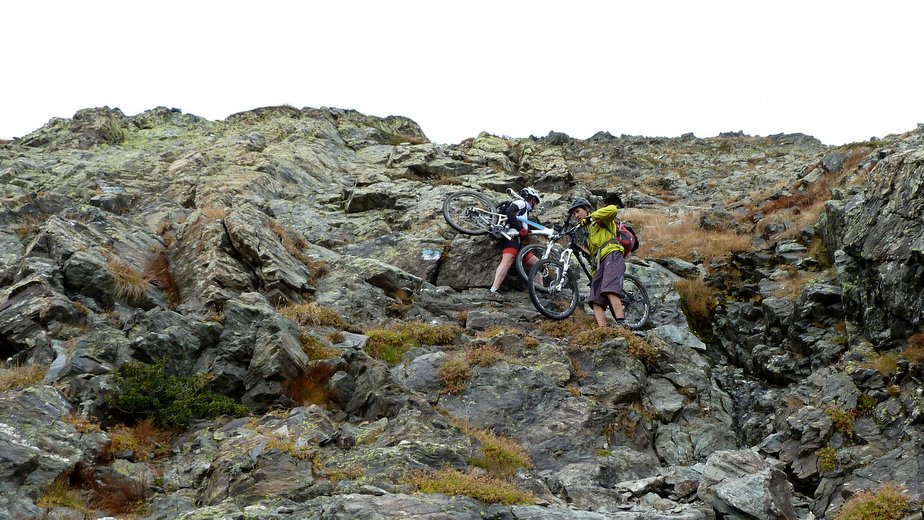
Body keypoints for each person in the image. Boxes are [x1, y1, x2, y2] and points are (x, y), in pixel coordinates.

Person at [567, 197, 627, 328]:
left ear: (587, 209)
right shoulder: (588, 232)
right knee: (595, 298)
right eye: (574, 214)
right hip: (600, 263)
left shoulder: (600, 219)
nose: (576, 215)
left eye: (578, 211)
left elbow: (613, 210)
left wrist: (591, 217)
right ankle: (602, 329)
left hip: (612, 253)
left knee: (609, 288)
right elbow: (593, 255)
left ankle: (622, 322)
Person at [489, 187, 541, 293]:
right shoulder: (521, 203)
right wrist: (521, 228)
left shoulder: (524, 211)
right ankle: (494, 289)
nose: (536, 205)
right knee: (507, 260)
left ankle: (541, 292)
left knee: (538, 264)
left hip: (518, 242)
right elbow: (510, 211)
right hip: (512, 236)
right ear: (533, 200)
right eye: (536, 202)